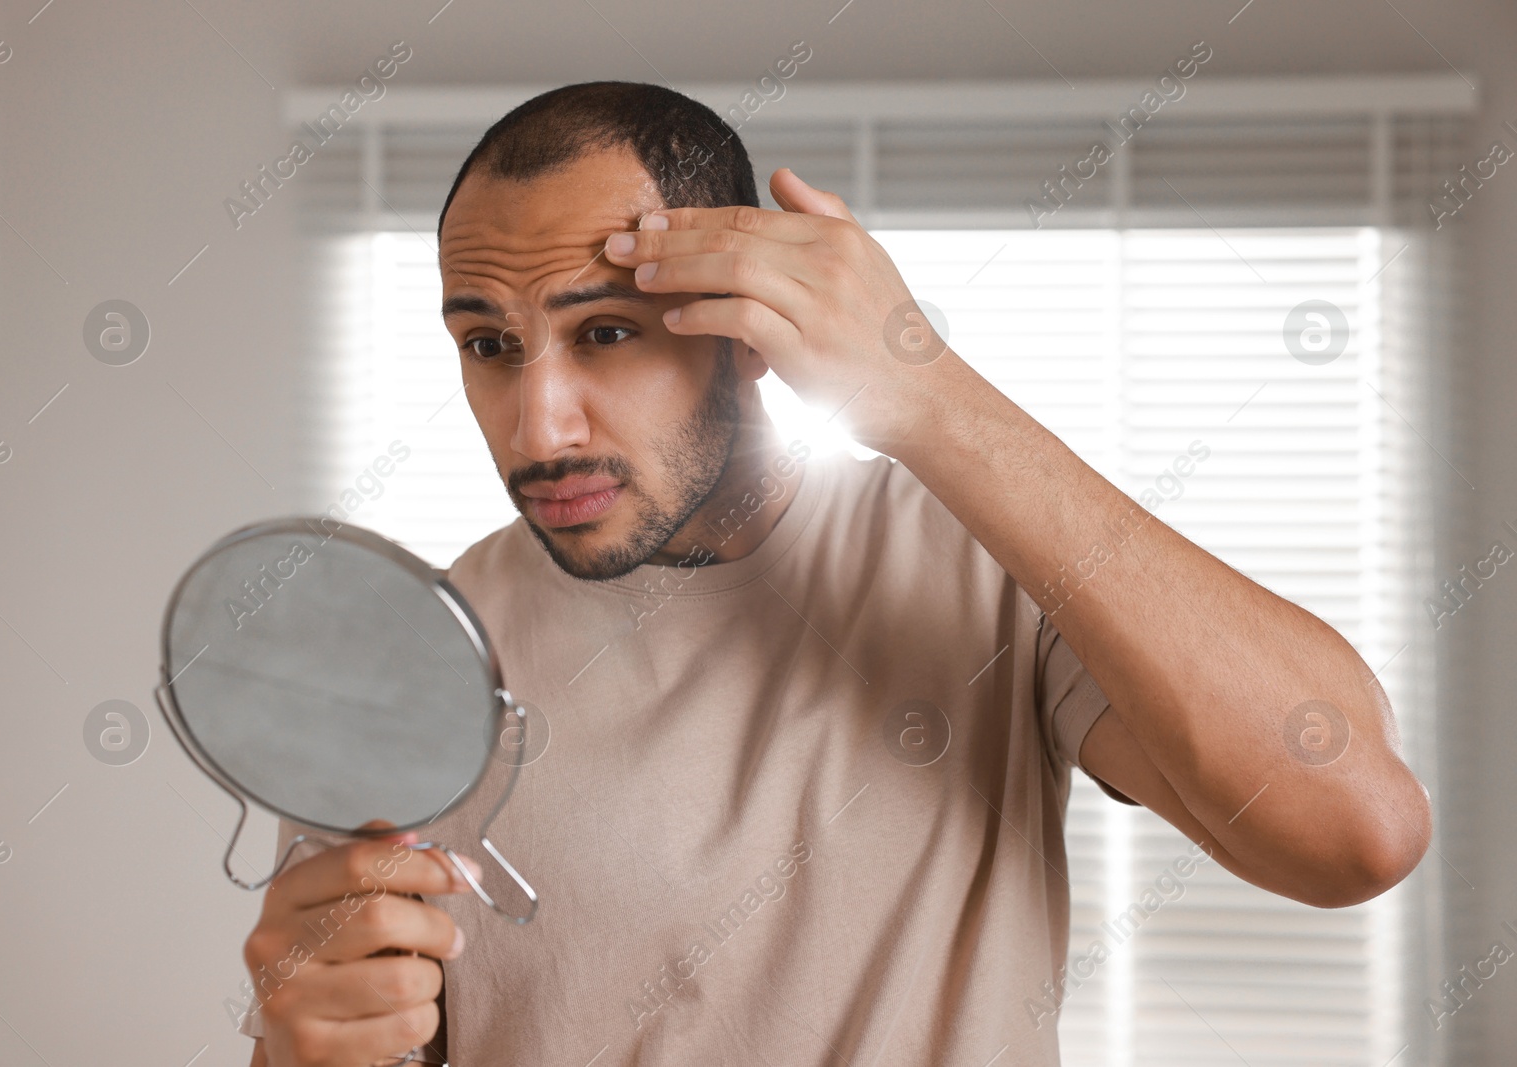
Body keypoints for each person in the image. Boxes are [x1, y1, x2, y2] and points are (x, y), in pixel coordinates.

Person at [238, 81, 1431, 1066]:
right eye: (488, 345)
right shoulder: (405, 663)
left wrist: (921, 387)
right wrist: (300, 1049)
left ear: (749, 329)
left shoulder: (984, 571)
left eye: (605, 331)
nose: (538, 425)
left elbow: (1354, 831)